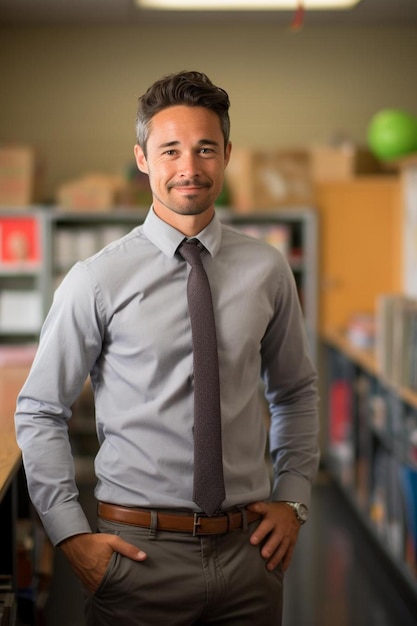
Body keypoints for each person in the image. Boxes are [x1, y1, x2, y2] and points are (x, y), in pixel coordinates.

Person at [15, 70, 319, 626]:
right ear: (142, 157)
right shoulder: (95, 279)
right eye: (170, 149)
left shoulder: (268, 269)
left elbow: (296, 390)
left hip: (249, 555)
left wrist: (294, 498)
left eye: (205, 149)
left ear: (226, 154)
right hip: (137, 556)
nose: (189, 168)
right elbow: (40, 410)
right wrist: (69, 535)